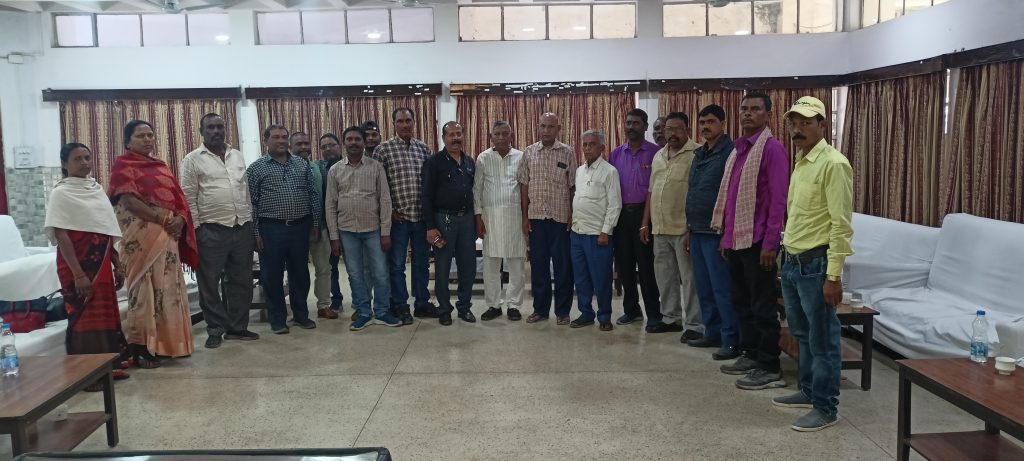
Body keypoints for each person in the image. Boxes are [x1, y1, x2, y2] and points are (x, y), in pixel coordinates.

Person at [772, 96, 853, 432]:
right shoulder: (802, 161)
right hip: (792, 263)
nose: (798, 129)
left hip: (816, 266)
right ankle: (807, 390)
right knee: (803, 335)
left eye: (806, 122)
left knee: (823, 341)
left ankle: (826, 407)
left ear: (822, 125)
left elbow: (841, 225)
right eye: (794, 123)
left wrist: (834, 276)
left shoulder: (834, 164)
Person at [711, 92, 789, 391]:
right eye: (744, 108)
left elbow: (778, 200)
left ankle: (769, 366)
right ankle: (751, 354)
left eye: (755, 109)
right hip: (736, 240)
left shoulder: (772, 149)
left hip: (758, 242)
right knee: (741, 302)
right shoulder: (739, 150)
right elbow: (731, 199)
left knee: (763, 306)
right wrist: (726, 236)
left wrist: (770, 244)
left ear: (768, 115)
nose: (748, 113)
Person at [107, 120, 198, 366]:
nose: (147, 139)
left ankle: (167, 345)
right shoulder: (123, 166)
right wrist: (162, 219)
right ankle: (141, 348)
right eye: (141, 136)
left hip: (167, 238)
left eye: (150, 135)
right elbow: (128, 201)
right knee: (143, 290)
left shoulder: (161, 167)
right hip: (140, 238)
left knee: (167, 287)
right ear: (127, 141)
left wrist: (180, 219)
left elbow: (179, 200)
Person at [46, 143, 132, 382]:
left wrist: (117, 263)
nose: (84, 163)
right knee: (84, 316)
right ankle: (88, 374)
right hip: (77, 264)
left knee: (105, 313)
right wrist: (78, 274)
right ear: (65, 164)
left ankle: (109, 364)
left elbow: (106, 230)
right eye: (77, 159)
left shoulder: (96, 189)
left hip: (101, 261)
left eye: (87, 157)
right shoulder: (61, 193)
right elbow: (61, 234)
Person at [180, 112, 258, 349]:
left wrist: (249, 220)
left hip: (241, 227)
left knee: (241, 280)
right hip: (210, 230)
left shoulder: (237, 156)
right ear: (201, 132)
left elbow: (245, 191)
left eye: (220, 127)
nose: (216, 131)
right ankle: (215, 329)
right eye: (211, 127)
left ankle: (237, 327)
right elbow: (188, 197)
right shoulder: (192, 160)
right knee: (209, 283)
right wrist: (197, 230)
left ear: (225, 129)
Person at [247, 124, 321, 334]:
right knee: (272, 276)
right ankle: (277, 319)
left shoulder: (301, 164)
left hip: (300, 227)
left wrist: (316, 223)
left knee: (300, 274)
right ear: (266, 140)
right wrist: (256, 233)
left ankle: (301, 315)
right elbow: (252, 203)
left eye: (284, 137)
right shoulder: (256, 168)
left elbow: (313, 195)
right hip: (271, 229)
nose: (281, 141)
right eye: (276, 137)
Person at [326, 126, 401, 330]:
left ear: (363, 142)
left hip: (373, 230)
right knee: (355, 274)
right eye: (349, 139)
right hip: (347, 231)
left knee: (380, 272)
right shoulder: (335, 170)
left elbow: (385, 200)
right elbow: (330, 205)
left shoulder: (376, 167)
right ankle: (364, 312)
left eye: (357, 139)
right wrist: (334, 237)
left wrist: (385, 232)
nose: (353, 142)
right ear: (344, 143)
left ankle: (382, 311)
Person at [685, 104, 741, 361]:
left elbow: (732, 195)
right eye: (702, 122)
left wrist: (727, 234)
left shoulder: (731, 152)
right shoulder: (699, 153)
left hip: (717, 232)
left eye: (710, 122)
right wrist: (689, 229)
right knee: (704, 288)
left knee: (722, 289)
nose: (705, 126)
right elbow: (693, 190)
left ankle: (731, 339)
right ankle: (712, 332)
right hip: (697, 229)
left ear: (722, 124)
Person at [640, 112, 702, 337]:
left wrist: (692, 228)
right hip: (659, 227)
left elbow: (698, 193)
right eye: (669, 129)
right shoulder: (659, 155)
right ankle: (670, 318)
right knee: (665, 277)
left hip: (683, 229)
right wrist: (645, 223)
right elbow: (651, 191)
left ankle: (695, 324)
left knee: (690, 279)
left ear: (687, 130)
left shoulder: (697, 154)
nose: (672, 133)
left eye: (677, 129)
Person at [373, 108, 437, 325]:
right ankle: (401, 306)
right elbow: (377, 187)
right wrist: (389, 212)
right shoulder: (383, 150)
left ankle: (422, 304)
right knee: (397, 265)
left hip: (421, 218)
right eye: (400, 121)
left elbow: (430, 184)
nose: (404, 125)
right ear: (394, 124)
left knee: (422, 264)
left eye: (408, 120)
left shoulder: (423, 149)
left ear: (414, 122)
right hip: (398, 220)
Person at [518, 113, 577, 325]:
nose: (546, 130)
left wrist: (572, 214)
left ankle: (562, 311)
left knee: (563, 267)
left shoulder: (567, 152)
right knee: (538, 266)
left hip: (560, 218)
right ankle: (540, 310)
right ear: (538, 127)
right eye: (543, 126)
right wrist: (525, 217)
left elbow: (572, 186)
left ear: (558, 129)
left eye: (551, 126)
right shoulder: (529, 152)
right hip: (536, 218)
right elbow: (524, 186)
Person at [609, 108, 663, 331]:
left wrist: (645, 221)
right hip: (621, 216)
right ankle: (632, 310)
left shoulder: (656, 153)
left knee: (647, 267)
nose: (631, 127)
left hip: (645, 216)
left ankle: (654, 314)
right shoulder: (616, 154)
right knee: (625, 266)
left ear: (645, 126)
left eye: (636, 123)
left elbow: (655, 189)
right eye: (628, 123)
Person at [422, 121, 477, 326]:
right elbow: (426, 196)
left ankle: (464, 307)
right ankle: (444, 309)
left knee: (468, 266)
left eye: (459, 133)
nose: (456, 138)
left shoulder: (469, 161)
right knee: (443, 267)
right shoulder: (434, 162)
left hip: (467, 220)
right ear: (443, 138)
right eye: (451, 134)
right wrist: (430, 226)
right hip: (443, 220)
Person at [473, 120, 526, 322]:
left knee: (516, 264)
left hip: (515, 218)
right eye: (497, 134)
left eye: (505, 133)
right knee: (491, 265)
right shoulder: (483, 158)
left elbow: (525, 188)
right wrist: (478, 217)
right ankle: (493, 305)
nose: (501, 137)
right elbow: (477, 189)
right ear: (491, 137)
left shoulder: (521, 157)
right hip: (491, 219)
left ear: (511, 136)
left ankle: (514, 305)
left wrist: (526, 218)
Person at [569, 130, 621, 332]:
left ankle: (604, 315)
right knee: (581, 278)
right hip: (577, 233)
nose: (587, 148)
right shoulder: (579, 171)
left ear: (602, 147)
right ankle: (586, 313)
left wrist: (606, 231)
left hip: (597, 235)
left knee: (601, 279)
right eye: (585, 144)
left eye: (592, 144)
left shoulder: (609, 171)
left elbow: (615, 204)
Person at [290, 132, 333, 321]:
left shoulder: (316, 168)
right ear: (290, 147)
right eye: (298, 144)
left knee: (324, 268)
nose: (303, 147)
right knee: (297, 271)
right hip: (296, 229)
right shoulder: (286, 168)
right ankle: (299, 309)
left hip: (319, 227)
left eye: (306, 143)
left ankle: (324, 305)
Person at [318, 133, 346, 317]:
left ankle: (363, 300)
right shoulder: (318, 168)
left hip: (349, 222)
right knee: (330, 266)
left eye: (331, 145)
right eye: (324, 146)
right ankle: (336, 299)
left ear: (339, 146)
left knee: (356, 266)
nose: (328, 149)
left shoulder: (349, 165)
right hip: (327, 225)